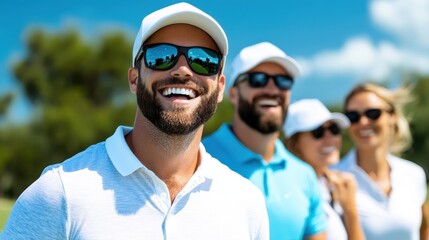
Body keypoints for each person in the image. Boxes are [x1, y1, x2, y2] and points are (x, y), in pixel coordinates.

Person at [0, 3, 269, 239]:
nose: (183, 69)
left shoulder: (247, 203)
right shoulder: (60, 192)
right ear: (134, 78)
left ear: (220, 87)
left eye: (204, 61)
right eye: (161, 56)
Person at [203, 42, 326, 240]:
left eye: (283, 81)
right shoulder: (197, 159)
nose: (272, 89)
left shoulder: (304, 175)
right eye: (257, 80)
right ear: (233, 94)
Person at [332, 82, 429, 240]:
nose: (363, 122)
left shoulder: (414, 174)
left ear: (392, 116)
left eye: (373, 113)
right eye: (353, 116)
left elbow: (424, 230)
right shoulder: (333, 178)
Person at [283, 98, 365, 240]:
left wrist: (350, 210)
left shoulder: (334, 185)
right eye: (318, 132)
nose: (330, 138)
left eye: (334, 129)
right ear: (295, 142)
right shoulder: (289, 192)